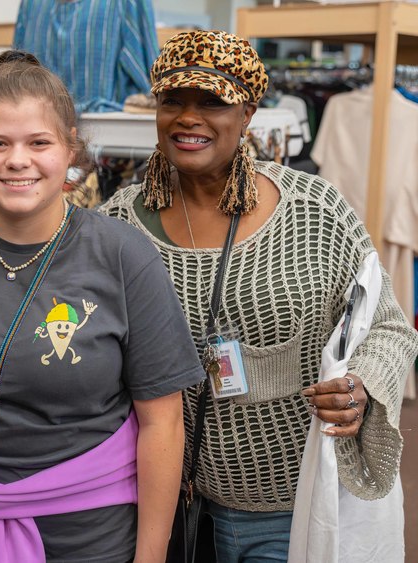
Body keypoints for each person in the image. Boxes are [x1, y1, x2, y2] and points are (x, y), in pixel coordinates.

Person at [100, 30, 418, 561]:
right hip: (169, 506)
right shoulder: (115, 225)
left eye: (211, 102)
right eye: (172, 100)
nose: (187, 118)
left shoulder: (314, 211)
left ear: (247, 113)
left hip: (290, 506)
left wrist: (360, 385)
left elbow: (389, 325)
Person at [0, 50, 204, 563]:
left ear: (70, 150)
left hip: (94, 542)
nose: (18, 160)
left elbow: (163, 424)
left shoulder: (124, 254)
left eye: (39, 143)